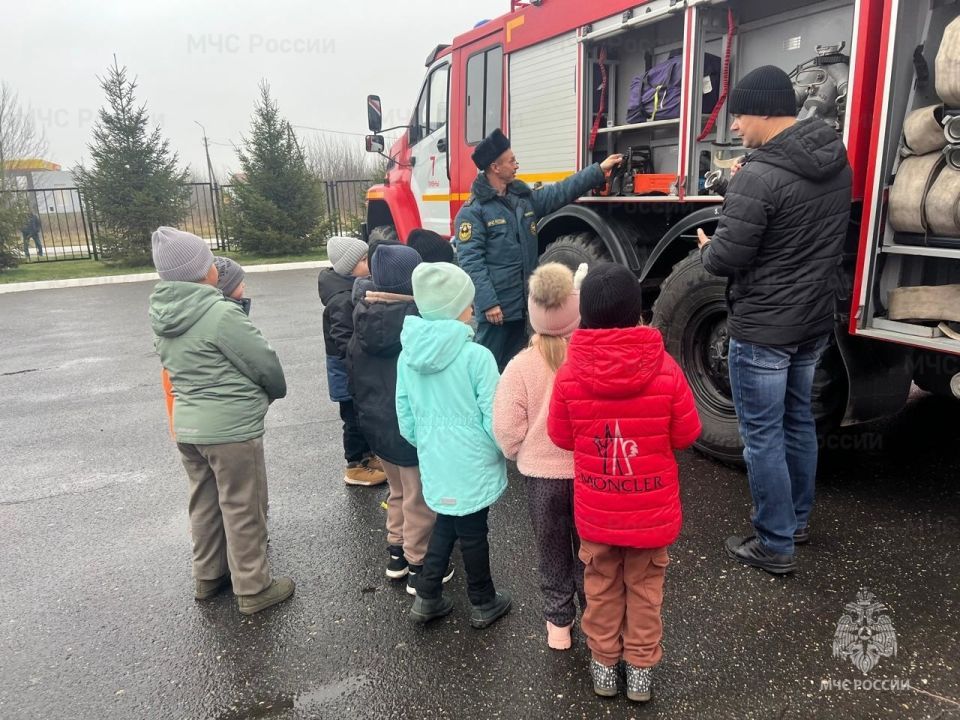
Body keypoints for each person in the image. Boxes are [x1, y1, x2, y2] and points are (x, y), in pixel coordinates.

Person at [696, 65, 853, 575]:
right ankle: (797, 521)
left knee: (761, 434)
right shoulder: (836, 161)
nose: (736, 126)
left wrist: (707, 246)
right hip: (811, 322)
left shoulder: (759, 176)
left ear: (763, 111)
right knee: (797, 422)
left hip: (763, 328)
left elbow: (726, 259)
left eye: (739, 115)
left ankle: (774, 543)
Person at [548, 262, 701, 702]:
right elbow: (687, 434)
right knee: (646, 592)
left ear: (586, 316)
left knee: (600, 590)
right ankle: (640, 671)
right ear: (637, 311)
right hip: (651, 515)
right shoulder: (666, 369)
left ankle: (603, 666)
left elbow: (561, 436)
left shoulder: (571, 373)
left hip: (597, 515)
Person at [148, 227, 294, 615]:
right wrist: (273, 392)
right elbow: (263, 362)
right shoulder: (218, 313)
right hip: (230, 430)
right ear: (200, 271)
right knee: (242, 504)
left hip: (189, 426)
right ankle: (253, 586)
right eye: (210, 260)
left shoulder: (163, 314)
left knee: (204, 501)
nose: (216, 265)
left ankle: (208, 576)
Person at [396, 262, 511, 628]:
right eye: (469, 304)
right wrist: (505, 448)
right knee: (474, 531)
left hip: (435, 456)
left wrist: (424, 441)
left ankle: (428, 595)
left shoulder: (407, 356)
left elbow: (405, 411)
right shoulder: (477, 356)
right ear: (454, 308)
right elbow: (495, 415)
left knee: (446, 522)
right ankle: (482, 599)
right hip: (472, 460)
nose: (474, 310)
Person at [453, 128, 623, 371]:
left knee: (518, 368)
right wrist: (488, 303)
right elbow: (471, 262)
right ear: (495, 167)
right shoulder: (473, 212)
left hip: (524, 308)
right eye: (511, 161)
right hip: (496, 313)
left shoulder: (522, 199)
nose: (516, 165)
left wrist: (597, 171)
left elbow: (560, 192)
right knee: (486, 369)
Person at [348, 244, 453, 595]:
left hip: (378, 428)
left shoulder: (361, 319)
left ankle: (396, 553)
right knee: (419, 498)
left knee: (397, 492)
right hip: (409, 429)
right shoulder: (417, 327)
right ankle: (419, 565)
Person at [493, 262, 586, 651]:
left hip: (540, 478)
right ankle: (597, 614)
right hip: (586, 475)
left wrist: (520, 451)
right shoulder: (588, 361)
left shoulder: (519, 366)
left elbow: (506, 428)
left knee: (550, 548)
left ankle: (559, 623)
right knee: (589, 552)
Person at [318, 236, 387, 487]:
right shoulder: (341, 299)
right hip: (347, 370)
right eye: (363, 260)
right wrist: (359, 359)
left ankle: (369, 457)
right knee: (354, 419)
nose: (369, 263)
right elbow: (343, 337)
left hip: (354, 368)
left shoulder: (352, 288)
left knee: (364, 414)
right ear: (349, 267)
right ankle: (355, 464)